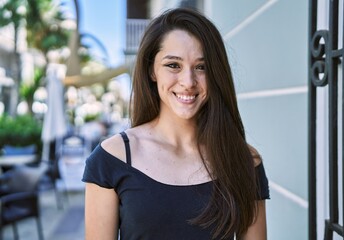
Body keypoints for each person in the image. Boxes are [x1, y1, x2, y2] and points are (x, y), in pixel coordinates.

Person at [82, 7, 270, 240]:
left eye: (201, 67)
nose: (188, 81)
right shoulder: (110, 160)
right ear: (152, 70)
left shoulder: (244, 162)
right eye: (173, 65)